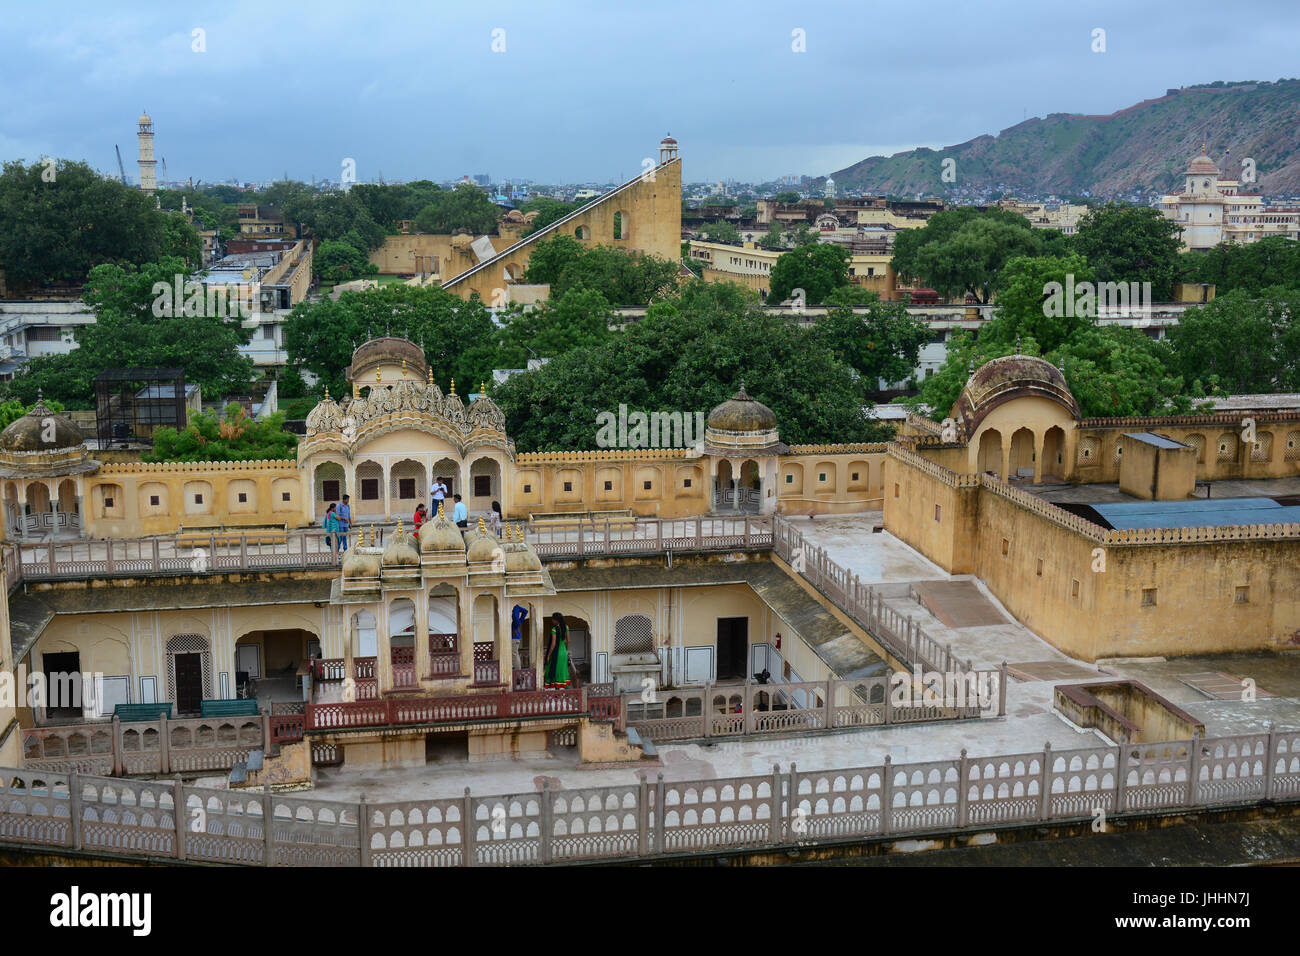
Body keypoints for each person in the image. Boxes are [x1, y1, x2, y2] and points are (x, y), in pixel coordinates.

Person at [544, 611, 569, 689]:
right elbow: (568, 641)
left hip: (556, 652)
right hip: (563, 651)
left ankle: (557, 688)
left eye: (553, 619)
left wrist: (548, 655)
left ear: (556, 620)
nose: (552, 621)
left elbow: (553, 644)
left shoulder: (554, 629)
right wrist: (566, 650)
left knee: (554, 669)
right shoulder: (566, 627)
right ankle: (563, 686)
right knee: (562, 669)